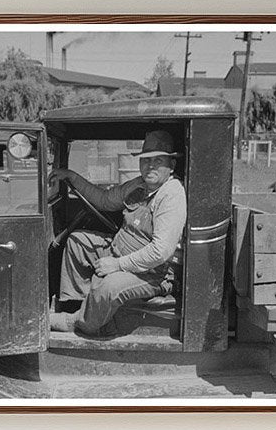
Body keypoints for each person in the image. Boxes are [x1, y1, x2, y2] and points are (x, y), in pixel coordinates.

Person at [49, 129, 187, 337]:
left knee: (110, 286)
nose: (150, 166)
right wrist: (71, 176)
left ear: (171, 165)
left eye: (158, 160)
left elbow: (160, 252)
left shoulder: (171, 194)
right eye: (145, 160)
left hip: (153, 273)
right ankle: (77, 306)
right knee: (78, 242)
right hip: (119, 253)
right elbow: (104, 200)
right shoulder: (140, 185)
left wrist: (117, 264)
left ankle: (78, 323)